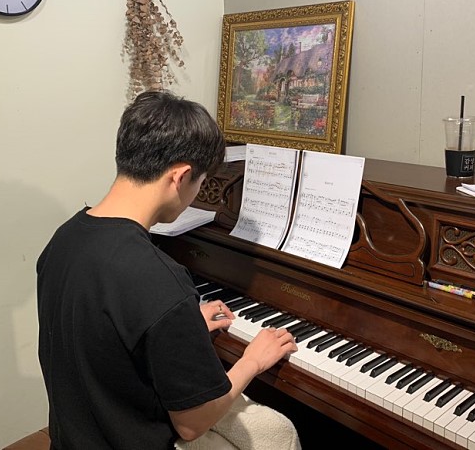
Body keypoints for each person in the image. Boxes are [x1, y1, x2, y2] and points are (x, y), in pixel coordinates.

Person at [37, 90, 299, 449]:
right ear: (181, 176)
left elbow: (104, 335)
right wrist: (251, 361)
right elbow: (192, 424)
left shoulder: (64, 238)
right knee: (279, 434)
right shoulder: (160, 280)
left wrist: (181, 329)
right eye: (201, 183)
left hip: (73, 438)